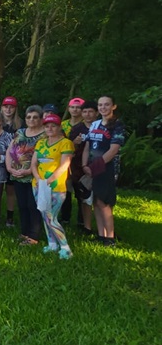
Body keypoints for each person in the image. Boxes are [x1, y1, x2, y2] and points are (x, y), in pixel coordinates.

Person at [31, 113, 75, 259]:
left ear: (58, 127)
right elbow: (34, 163)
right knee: (44, 215)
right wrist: (38, 178)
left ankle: (65, 247)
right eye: (47, 126)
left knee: (51, 217)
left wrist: (49, 180)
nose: (50, 128)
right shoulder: (41, 143)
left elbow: (64, 165)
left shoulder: (65, 143)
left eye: (53, 126)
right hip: (38, 184)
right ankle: (52, 244)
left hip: (55, 186)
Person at [83, 95, 126, 247]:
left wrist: (95, 167)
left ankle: (110, 238)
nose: (103, 107)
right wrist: (84, 165)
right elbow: (88, 146)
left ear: (113, 106)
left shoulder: (117, 125)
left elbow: (113, 149)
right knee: (96, 201)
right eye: (100, 105)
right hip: (92, 169)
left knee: (104, 202)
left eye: (106, 105)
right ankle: (101, 235)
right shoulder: (94, 124)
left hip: (106, 168)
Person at [5, 105, 45, 246]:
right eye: (29, 117)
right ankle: (24, 232)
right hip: (17, 174)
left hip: (35, 176)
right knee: (22, 205)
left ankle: (33, 236)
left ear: (41, 119)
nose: (31, 120)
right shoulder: (20, 132)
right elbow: (10, 150)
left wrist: (29, 171)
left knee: (32, 205)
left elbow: (47, 157)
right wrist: (9, 168)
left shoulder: (45, 135)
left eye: (35, 117)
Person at [67, 100, 97, 233]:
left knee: (94, 198)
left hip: (97, 166)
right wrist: (75, 142)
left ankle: (86, 224)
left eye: (90, 111)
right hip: (77, 167)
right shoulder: (77, 129)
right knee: (79, 194)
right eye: (85, 111)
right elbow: (68, 148)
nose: (87, 114)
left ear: (96, 113)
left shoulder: (100, 128)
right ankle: (78, 222)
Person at [59, 97, 85, 224]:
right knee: (66, 190)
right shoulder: (63, 124)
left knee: (81, 191)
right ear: (68, 109)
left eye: (78, 107)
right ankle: (65, 217)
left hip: (81, 163)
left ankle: (82, 220)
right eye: (72, 107)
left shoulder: (87, 124)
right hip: (66, 162)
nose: (75, 110)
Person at [0, 96, 22, 227]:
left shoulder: (21, 124)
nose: (8, 109)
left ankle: (10, 217)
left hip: (14, 160)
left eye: (11, 107)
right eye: (5, 106)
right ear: (2, 107)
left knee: (10, 190)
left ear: (15, 109)